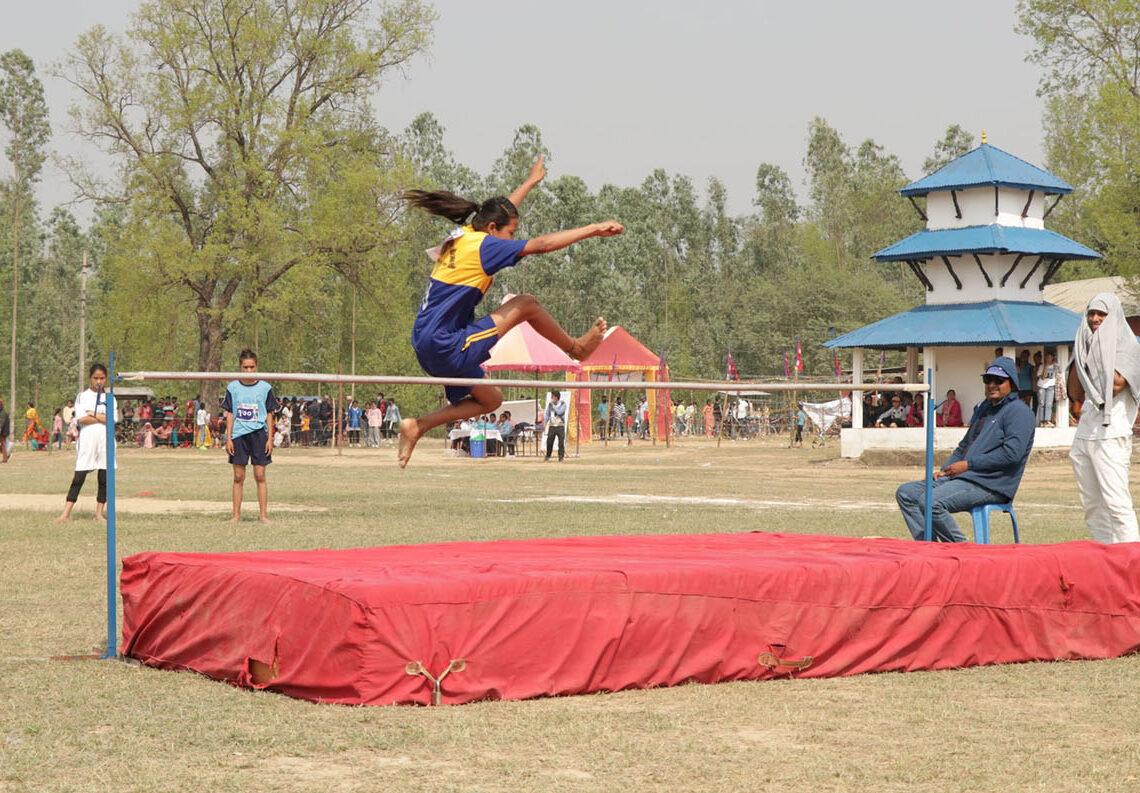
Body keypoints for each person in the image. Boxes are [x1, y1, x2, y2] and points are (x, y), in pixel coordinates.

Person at [396, 156, 623, 467]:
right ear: (492, 229)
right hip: (444, 344)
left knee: (491, 400)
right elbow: (541, 245)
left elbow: (500, 213)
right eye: (512, 233)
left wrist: (529, 184)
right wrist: (594, 228)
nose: (513, 241)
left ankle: (417, 426)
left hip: (425, 341)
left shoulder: (467, 236)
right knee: (527, 304)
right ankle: (577, 348)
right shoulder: (486, 246)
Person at [895, 357, 1035, 542]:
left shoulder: (1019, 411)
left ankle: (964, 551)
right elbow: (965, 445)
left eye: (999, 381)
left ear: (1012, 384)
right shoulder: (985, 408)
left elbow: (1012, 454)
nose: (992, 385)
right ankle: (929, 548)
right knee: (906, 493)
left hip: (990, 484)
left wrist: (969, 465)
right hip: (966, 476)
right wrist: (945, 470)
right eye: (988, 380)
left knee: (930, 502)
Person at [1068, 293, 1140, 543]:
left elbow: (1114, 385)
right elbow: (1075, 392)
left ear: (1114, 316)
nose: (1095, 319)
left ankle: (1132, 567)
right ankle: (1105, 564)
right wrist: (1082, 350)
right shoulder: (1085, 344)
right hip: (1086, 433)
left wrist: (1095, 351)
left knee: (1117, 505)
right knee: (1093, 508)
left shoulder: (1129, 346)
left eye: (1102, 314)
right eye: (1091, 313)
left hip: (1111, 434)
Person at [57, 364, 119, 521]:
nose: (99, 381)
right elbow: (81, 418)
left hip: (106, 442)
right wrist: (99, 416)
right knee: (79, 476)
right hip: (88, 441)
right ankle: (66, 513)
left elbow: (113, 420)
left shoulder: (110, 398)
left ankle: (99, 513)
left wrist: (93, 413)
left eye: (102, 378)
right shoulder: (82, 396)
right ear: (90, 378)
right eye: (95, 378)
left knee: (104, 478)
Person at [222, 349, 278, 523]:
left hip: (259, 435)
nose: (248, 371)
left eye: (252, 367)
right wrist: (229, 437)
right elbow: (230, 413)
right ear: (240, 367)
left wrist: (269, 438)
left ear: (257, 367)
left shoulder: (265, 387)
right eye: (245, 367)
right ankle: (236, 515)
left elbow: (269, 413)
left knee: (260, 475)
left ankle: (263, 515)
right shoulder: (232, 387)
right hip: (239, 435)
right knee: (238, 477)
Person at [544, 390, 568, 461]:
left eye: (553, 396)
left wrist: (553, 406)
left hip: (560, 426)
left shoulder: (563, 404)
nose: (551, 397)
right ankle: (548, 456)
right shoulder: (550, 404)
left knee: (561, 442)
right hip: (552, 425)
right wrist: (544, 424)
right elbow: (547, 414)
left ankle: (561, 457)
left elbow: (559, 412)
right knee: (549, 441)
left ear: (556, 397)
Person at [1036, 350, 1058, 426]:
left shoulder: (1055, 366)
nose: (1048, 358)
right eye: (1046, 357)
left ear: (1052, 357)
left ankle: (1047, 420)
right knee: (1042, 403)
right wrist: (1045, 366)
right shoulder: (1042, 366)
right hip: (1041, 385)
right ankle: (1042, 421)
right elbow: (1042, 377)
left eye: (1049, 357)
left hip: (1051, 386)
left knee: (1049, 403)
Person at [0, 398, 8, 462]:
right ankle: (6, 455)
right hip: (3, 430)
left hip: (3, 431)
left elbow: (1, 422)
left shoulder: (3, 413)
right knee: (3, 444)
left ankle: (5, 458)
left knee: (3, 444)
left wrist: (0, 428)